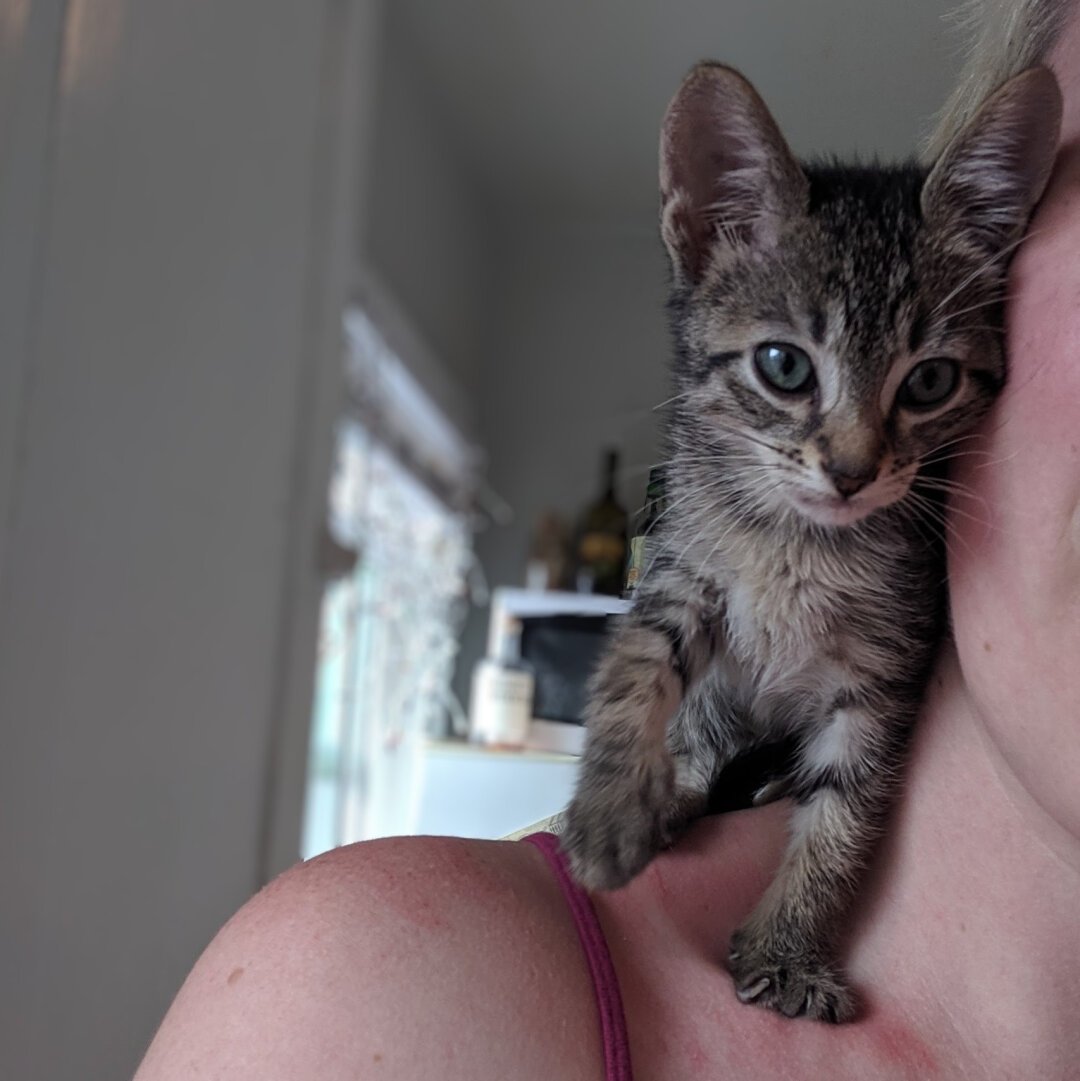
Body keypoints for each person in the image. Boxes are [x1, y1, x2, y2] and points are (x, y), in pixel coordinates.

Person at [134, 3, 1080, 1077]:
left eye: (925, 385)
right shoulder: (377, 1004)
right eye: (786, 370)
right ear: (708, 231)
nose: (854, 459)